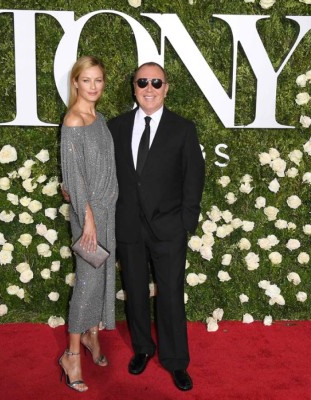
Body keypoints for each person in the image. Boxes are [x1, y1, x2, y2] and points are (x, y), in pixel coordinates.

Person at [107, 62, 205, 391]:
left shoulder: (183, 129)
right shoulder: (116, 127)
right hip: (129, 227)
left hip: (169, 229)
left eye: (156, 82)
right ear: (133, 87)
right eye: (143, 82)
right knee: (134, 292)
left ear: (167, 87)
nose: (149, 88)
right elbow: (107, 175)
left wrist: (185, 224)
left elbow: (194, 178)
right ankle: (143, 349)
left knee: (171, 295)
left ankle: (175, 360)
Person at [58, 55, 118, 393]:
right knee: (86, 283)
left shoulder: (99, 117)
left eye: (98, 80)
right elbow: (75, 178)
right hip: (90, 215)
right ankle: (72, 355)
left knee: (101, 279)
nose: (93, 87)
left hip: (108, 212)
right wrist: (88, 220)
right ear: (76, 83)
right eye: (87, 80)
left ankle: (94, 338)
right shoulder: (74, 121)